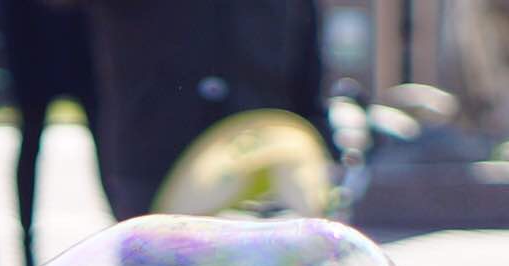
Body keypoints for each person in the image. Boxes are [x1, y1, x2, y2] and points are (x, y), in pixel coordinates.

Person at [80, 0, 327, 220]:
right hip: (157, 148)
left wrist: (317, 128)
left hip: (264, 147)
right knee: (158, 262)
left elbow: (306, 40)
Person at [0, 0, 100, 266]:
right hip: (30, 33)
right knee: (30, 137)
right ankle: (25, 247)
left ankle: (130, 237)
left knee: (105, 141)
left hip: (78, 32)